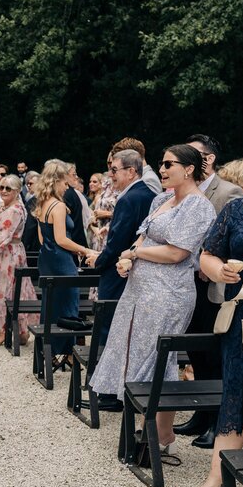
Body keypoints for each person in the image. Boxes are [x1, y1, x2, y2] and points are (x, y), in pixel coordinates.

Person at [89, 144, 216, 460]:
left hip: (169, 294)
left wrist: (136, 254)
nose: (161, 168)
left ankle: (161, 434)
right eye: (161, 163)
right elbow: (142, 236)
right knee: (135, 351)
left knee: (159, 357)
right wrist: (127, 258)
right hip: (139, 290)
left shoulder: (199, 207)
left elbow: (177, 252)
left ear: (188, 168)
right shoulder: (162, 199)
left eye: (168, 164)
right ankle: (150, 428)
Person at [187, 137, 243, 487]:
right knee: (237, 391)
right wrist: (218, 270)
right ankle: (216, 479)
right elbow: (207, 254)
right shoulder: (238, 210)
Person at [175, 134, 243, 449]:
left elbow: (237, 240)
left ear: (209, 159)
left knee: (215, 352)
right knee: (195, 350)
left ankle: (219, 422)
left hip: (214, 286)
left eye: (195, 154)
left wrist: (211, 264)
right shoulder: (178, 193)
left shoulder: (230, 192)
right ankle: (201, 414)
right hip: (183, 283)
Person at [85, 150, 156, 410]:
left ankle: (110, 393)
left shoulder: (131, 198)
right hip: (133, 270)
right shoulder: (147, 194)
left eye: (114, 170)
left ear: (131, 171)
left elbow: (118, 241)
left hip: (118, 271)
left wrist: (100, 262)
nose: (110, 175)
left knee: (110, 328)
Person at [35, 161, 96, 361]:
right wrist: (84, 249)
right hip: (61, 260)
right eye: (64, 182)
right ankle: (66, 353)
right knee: (69, 304)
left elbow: (42, 238)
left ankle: (49, 350)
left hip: (46, 258)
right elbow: (62, 239)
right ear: (56, 181)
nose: (67, 186)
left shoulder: (42, 203)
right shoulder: (59, 206)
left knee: (50, 304)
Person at [0, 175, 38, 347]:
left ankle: (4, 331)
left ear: (17, 191)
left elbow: (4, 236)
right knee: (11, 290)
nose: (3, 191)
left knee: (6, 291)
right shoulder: (7, 206)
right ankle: (19, 331)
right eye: (2, 187)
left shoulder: (15, 210)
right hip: (5, 253)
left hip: (9, 255)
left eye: (8, 188)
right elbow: (2, 226)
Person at [21, 171, 41, 252]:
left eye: (31, 183)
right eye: (27, 183)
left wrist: (25, 245)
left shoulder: (33, 202)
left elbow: (30, 226)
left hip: (34, 245)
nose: (28, 185)